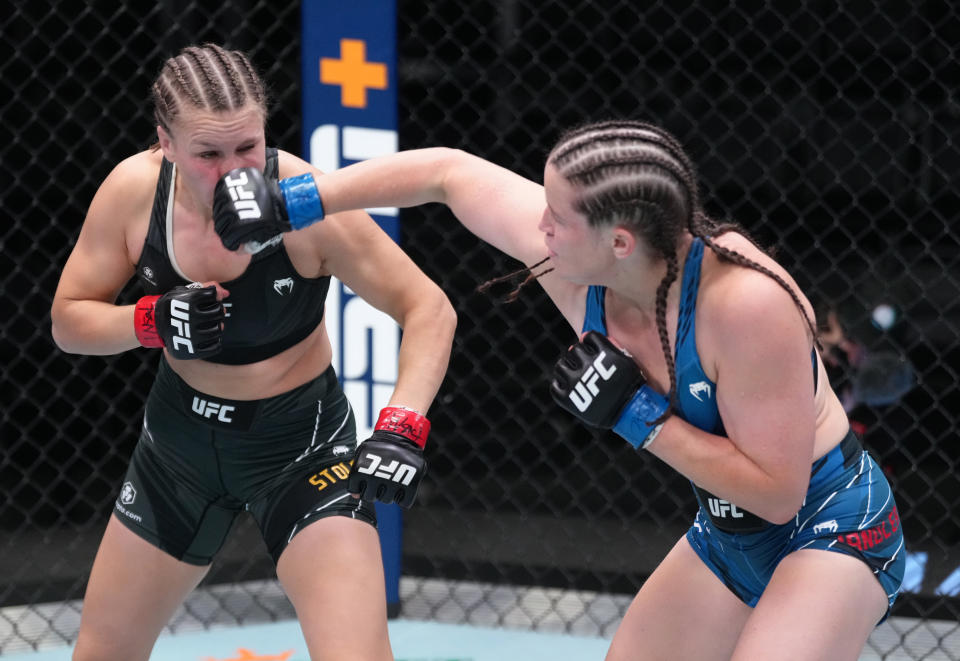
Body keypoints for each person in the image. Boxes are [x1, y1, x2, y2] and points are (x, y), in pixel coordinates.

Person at [214, 120, 906, 661]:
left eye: (557, 216)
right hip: (728, 531)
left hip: (830, 525)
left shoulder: (744, 304)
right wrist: (293, 201)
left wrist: (641, 419)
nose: (537, 224)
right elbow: (450, 174)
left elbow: (778, 490)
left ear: (621, 242)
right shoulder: (575, 265)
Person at [50, 43, 456, 661]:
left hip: (301, 449)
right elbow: (67, 322)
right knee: (101, 653)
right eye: (208, 153)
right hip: (177, 449)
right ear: (164, 142)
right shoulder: (134, 192)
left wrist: (403, 424)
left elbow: (428, 308)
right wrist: (150, 321)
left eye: (246, 147)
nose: (233, 169)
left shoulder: (305, 202)